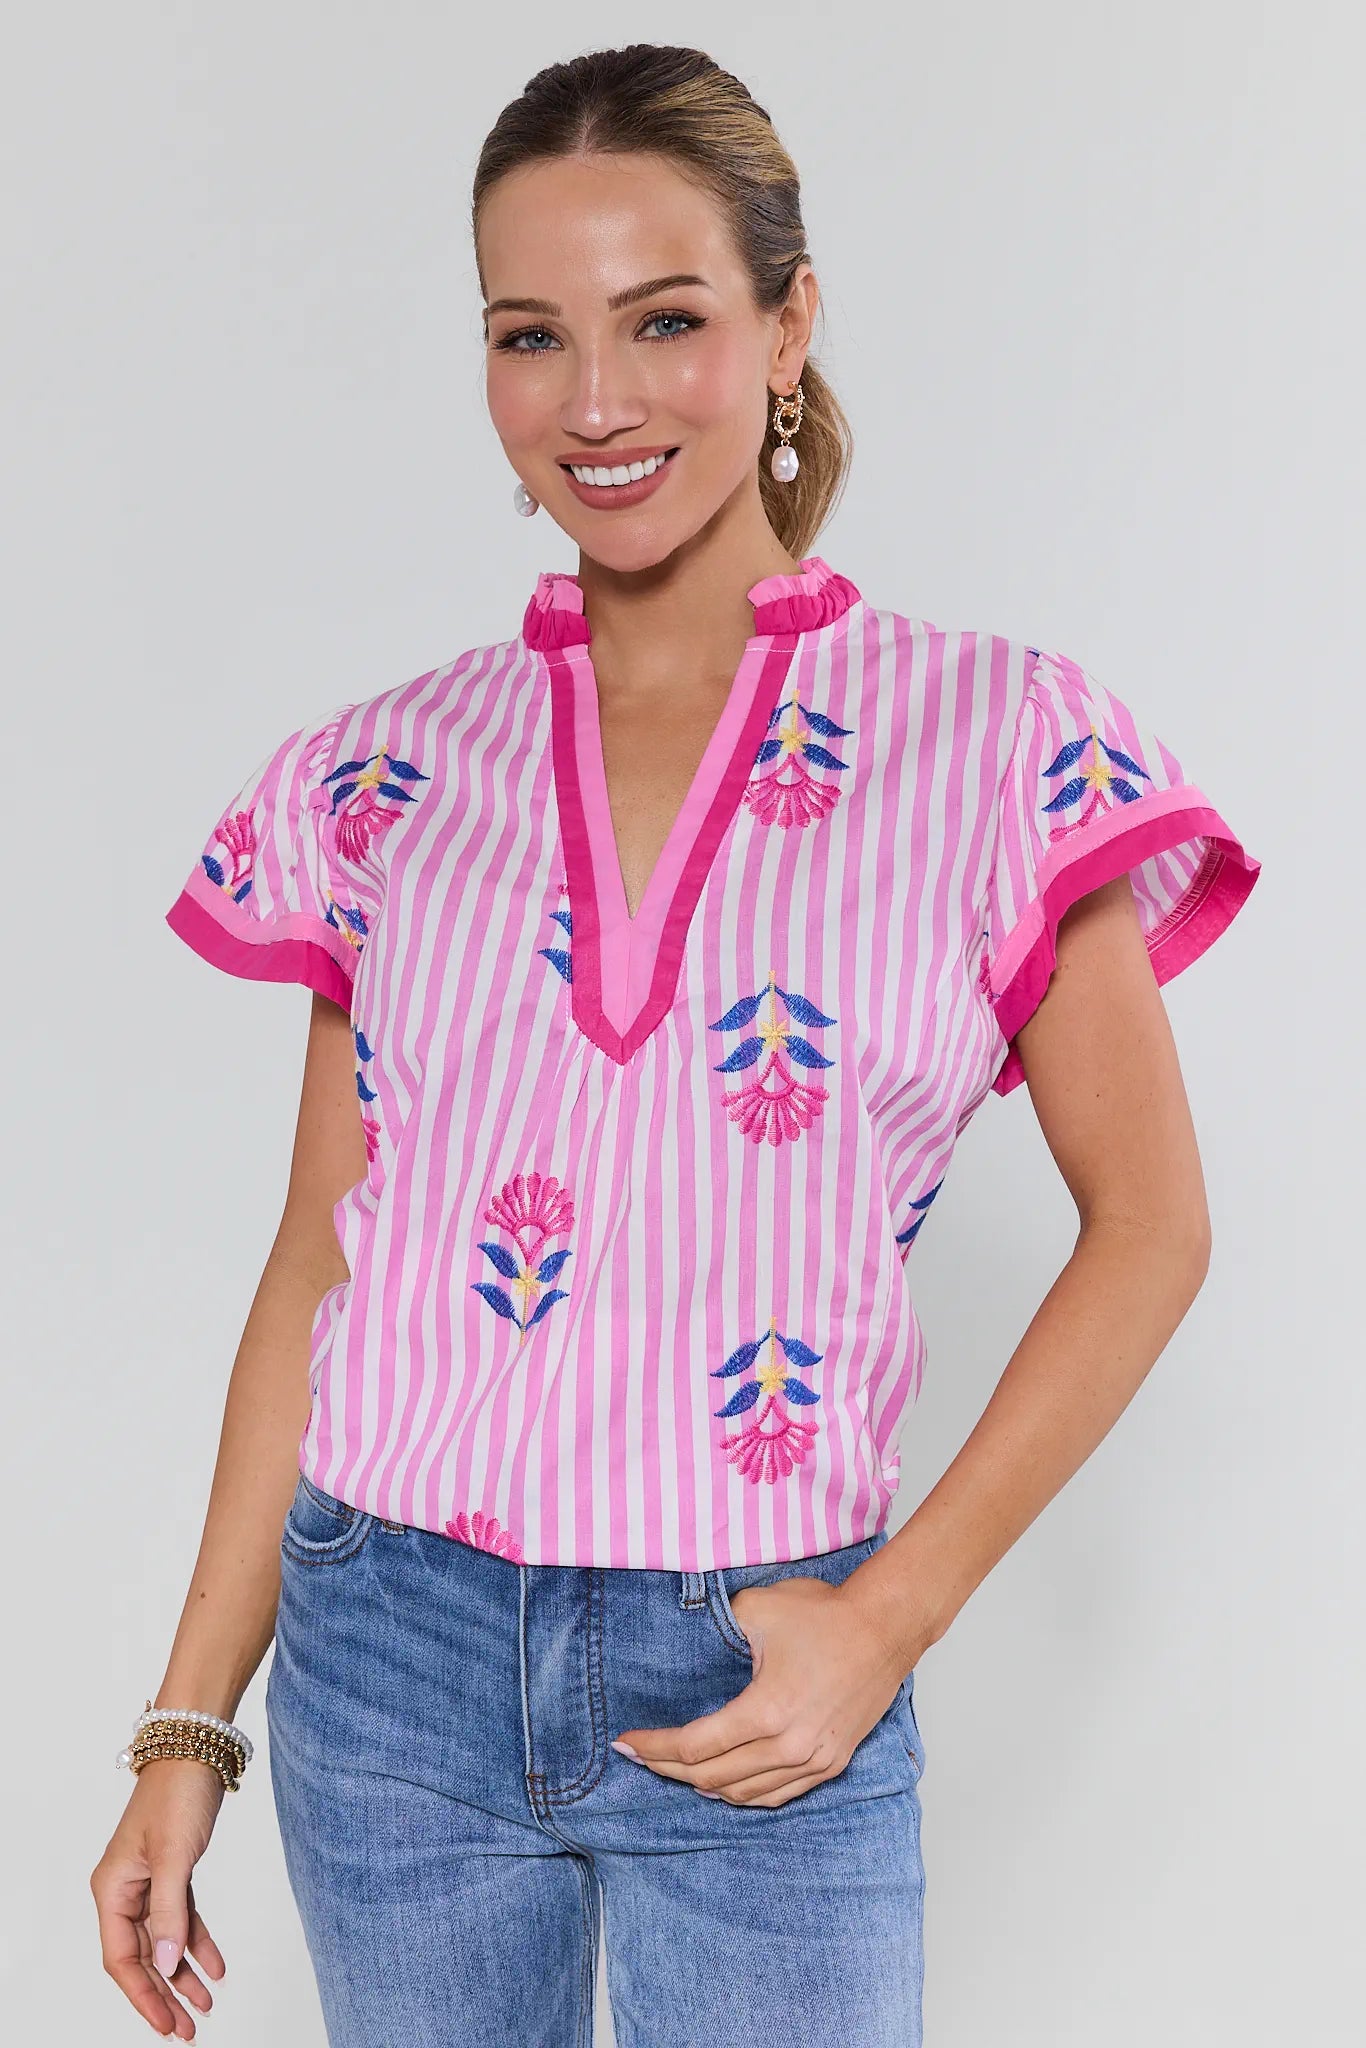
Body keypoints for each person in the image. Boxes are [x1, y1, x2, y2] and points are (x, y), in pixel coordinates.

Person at [90, 40, 1262, 2048]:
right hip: (388, 1654)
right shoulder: (384, 779)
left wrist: (882, 1623)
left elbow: (1149, 1226)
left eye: (664, 320)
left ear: (786, 326)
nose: (595, 400)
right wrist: (190, 1722)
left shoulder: (995, 744)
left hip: (764, 1653)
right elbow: (321, 1261)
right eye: (528, 335)